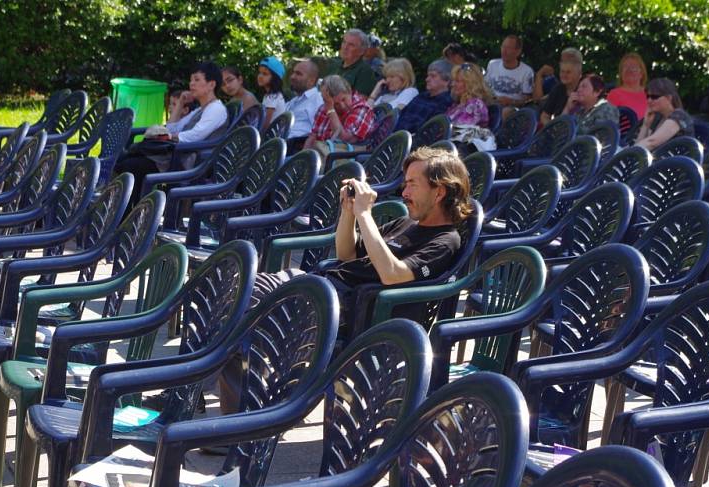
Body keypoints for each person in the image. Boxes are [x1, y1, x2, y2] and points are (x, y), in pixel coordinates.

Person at [215, 147, 472, 416]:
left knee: (237, 309)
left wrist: (365, 214)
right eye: (405, 183)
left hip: (341, 309)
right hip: (319, 288)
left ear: (440, 191)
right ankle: (236, 406)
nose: (404, 193)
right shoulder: (407, 223)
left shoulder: (445, 241)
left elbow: (392, 275)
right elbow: (347, 254)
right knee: (231, 288)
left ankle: (216, 403)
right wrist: (348, 212)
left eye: (412, 185)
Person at [114, 62, 227, 205]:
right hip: (174, 156)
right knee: (126, 161)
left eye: (197, 80)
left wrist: (168, 137)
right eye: (191, 80)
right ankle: (127, 212)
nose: (191, 84)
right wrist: (180, 104)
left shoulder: (216, 109)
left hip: (187, 162)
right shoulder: (200, 110)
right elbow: (172, 127)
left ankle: (129, 214)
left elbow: (195, 136)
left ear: (211, 84)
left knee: (132, 165)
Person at [304, 75, 376, 150]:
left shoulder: (362, 109)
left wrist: (331, 109)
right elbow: (312, 137)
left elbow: (343, 138)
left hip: (343, 158)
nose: (342, 106)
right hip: (319, 153)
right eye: (336, 104)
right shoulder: (323, 108)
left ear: (350, 91)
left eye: (343, 99)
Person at [395, 59, 454, 134]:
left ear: (447, 80)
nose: (427, 79)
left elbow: (428, 131)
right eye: (428, 76)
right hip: (395, 136)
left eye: (433, 76)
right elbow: (401, 116)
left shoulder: (446, 102)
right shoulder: (421, 96)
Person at [635, 77, 694, 150]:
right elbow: (641, 143)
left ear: (669, 98)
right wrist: (646, 125)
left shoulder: (679, 116)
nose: (649, 100)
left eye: (654, 97)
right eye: (648, 96)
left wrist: (627, 154)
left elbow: (652, 142)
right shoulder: (657, 117)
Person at [484, 35, 534, 118]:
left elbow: (528, 99)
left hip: (512, 108)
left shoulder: (527, 71)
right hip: (492, 103)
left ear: (518, 52)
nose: (504, 51)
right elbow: (484, 87)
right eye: (503, 47)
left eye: (509, 48)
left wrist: (511, 101)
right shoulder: (492, 64)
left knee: (506, 112)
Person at [284, 59, 324, 153]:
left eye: (298, 74)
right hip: (279, 144)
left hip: (295, 148)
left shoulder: (318, 100)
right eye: (293, 73)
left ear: (311, 81)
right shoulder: (293, 101)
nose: (292, 77)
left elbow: (318, 132)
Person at [536, 48, 583, 126]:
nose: (564, 75)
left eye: (568, 72)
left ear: (579, 73)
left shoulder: (584, 89)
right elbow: (544, 116)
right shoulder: (558, 88)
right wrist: (552, 128)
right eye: (562, 71)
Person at [330, 28, 378, 97]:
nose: (345, 47)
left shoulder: (365, 72)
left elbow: (359, 102)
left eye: (351, 45)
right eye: (344, 42)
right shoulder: (334, 65)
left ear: (361, 51)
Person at [447, 63, 493, 127]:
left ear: (470, 84)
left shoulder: (476, 105)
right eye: (453, 80)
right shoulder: (457, 104)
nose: (452, 84)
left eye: (457, 81)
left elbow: (461, 130)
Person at [607, 52, 648, 120]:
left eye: (633, 67)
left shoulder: (650, 94)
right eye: (625, 67)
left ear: (641, 73)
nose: (629, 70)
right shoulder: (614, 94)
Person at [257, 56, 287, 130]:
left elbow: (266, 123)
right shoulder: (270, 95)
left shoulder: (272, 97)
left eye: (265, 74)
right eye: (259, 73)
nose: (260, 76)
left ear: (275, 78)